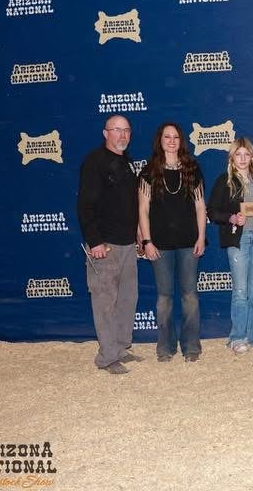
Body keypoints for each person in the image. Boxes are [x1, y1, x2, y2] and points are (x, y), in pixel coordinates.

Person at [76, 114, 141, 374]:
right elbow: (85, 205)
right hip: (105, 245)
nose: (122, 135)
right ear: (106, 133)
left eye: (126, 130)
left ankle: (121, 347)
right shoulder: (95, 162)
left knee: (127, 299)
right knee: (105, 301)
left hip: (127, 243)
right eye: (117, 130)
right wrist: (95, 241)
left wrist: (138, 234)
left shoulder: (127, 162)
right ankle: (107, 356)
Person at [138, 122, 206, 363]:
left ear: (181, 141)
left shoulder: (192, 169)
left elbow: (200, 206)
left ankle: (191, 346)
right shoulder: (148, 171)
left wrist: (201, 237)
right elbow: (143, 209)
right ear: (160, 140)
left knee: (190, 296)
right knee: (164, 298)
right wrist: (147, 241)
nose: (171, 141)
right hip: (160, 245)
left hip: (189, 242)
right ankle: (165, 347)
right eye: (167, 137)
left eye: (175, 137)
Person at [207, 138, 253, 354]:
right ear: (232, 158)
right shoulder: (224, 181)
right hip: (238, 239)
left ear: (252, 157)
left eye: (247, 154)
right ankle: (237, 337)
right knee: (240, 290)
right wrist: (231, 218)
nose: (243, 159)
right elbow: (212, 211)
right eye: (238, 154)